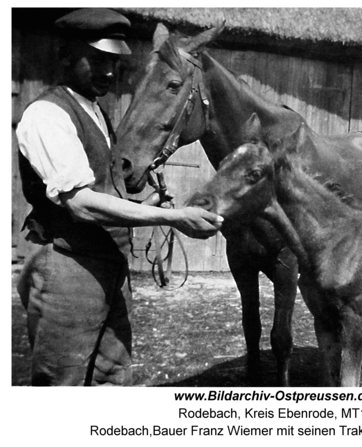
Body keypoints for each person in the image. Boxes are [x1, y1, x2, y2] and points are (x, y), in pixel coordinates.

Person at [15, 8, 223, 386]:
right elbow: (80, 203)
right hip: (66, 267)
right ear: (65, 56)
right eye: (96, 59)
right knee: (62, 385)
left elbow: (103, 198)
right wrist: (173, 218)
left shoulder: (96, 113)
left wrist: (148, 207)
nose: (108, 72)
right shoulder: (47, 115)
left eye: (113, 62)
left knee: (111, 378)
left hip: (109, 267)